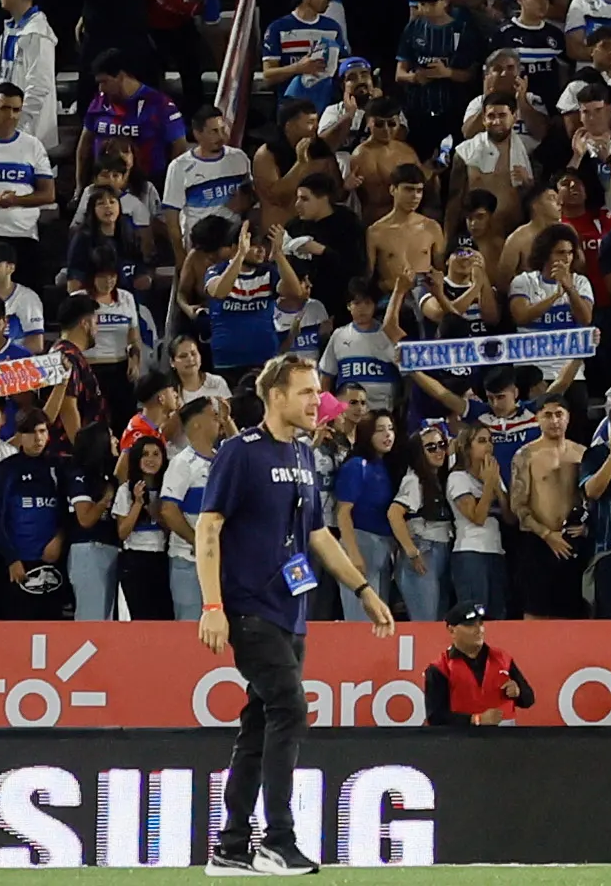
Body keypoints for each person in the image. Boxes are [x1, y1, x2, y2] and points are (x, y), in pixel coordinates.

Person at [194, 353, 396, 877]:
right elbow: (208, 527)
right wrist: (212, 606)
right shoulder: (240, 453)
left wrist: (362, 589)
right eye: (306, 392)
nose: (316, 402)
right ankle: (277, 840)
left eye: (316, 393)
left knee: (260, 722)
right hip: (248, 607)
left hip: (291, 610)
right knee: (290, 708)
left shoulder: (305, 455)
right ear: (276, 396)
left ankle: (231, 846)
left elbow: (317, 534)